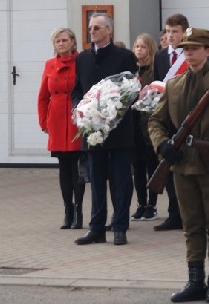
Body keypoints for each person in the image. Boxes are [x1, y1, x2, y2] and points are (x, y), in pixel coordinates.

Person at [149, 27, 209, 303]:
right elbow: (155, 121)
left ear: (208, 50)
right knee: (191, 224)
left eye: (195, 48)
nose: (189, 53)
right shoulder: (174, 86)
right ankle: (195, 280)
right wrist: (162, 145)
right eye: (186, 49)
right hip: (182, 165)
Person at [71, 14, 138, 246]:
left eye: (97, 28)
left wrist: (113, 109)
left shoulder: (124, 56)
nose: (92, 31)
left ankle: (120, 227)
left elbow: (132, 89)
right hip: (93, 130)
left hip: (118, 129)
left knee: (120, 181)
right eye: (90, 28)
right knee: (97, 181)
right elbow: (77, 90)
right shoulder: (82, 59)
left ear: (109, 30)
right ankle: (96, 228)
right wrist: (78, 108)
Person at [37, 27, 84, 229]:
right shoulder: (50, 64)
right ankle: (68, 210)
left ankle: (79, 211)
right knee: (64, 167)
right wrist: (43, 121)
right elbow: (42, 96)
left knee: (77, 168)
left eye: (65, 40)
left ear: (73, 42)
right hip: (56, 119)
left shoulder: (81, 62)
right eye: (58, 41)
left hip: (75, 119)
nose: (61, 44)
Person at [152, 12, 190, 232]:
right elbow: (157, 83)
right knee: (167, 167)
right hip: (166, 117)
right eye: (168, 31)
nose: (171, 36)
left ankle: (188, 214)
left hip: (186, 116)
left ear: (184, 32)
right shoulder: (159, 56)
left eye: (175, 31)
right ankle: (174, 214)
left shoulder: (190, 53)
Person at [131, 32, 160, 222]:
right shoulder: (132, 71)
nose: (139, 50)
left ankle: (152, 205)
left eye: (143, 46)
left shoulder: (154, 70)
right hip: (134, 124)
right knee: (138, 167)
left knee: (152, 165)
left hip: (149, 123)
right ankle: (141, 203)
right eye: (137, 46)